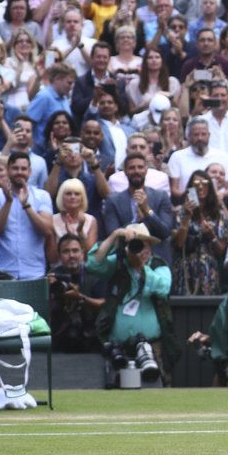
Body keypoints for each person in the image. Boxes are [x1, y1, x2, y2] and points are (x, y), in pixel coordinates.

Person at [87, 224, 174, 384]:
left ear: (150, 247)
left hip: (152, 346)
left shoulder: (158, 266)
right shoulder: (118, 264)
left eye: (143, 244)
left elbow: (163, 289)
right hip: (118, 346)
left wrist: (141, 267)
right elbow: (93, 264)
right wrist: (114, 236)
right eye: (135, 244)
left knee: (155, 391)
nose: (140, 249)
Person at [0, 151, 54, 279]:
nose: (19, 172)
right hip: (4, 271)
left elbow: (48, 230)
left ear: (30, 171)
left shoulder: (42, 196)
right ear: (8, 170)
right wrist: (8, 201)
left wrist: (27, 206)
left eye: (23, 169)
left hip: (34, 272)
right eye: (15, 168)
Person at [100, 152, 175, 265]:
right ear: (125, 171)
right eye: (132, 168)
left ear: (146, 170)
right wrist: (133, 227)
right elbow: (113, 233)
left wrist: (147, 211)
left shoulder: (161, 196)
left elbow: (165, 232)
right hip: (126, 261)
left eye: (140, 167)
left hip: (157, 261)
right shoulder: (113, 201)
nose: (136, 171)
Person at [46, 233, 106, 352]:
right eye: (66, 252)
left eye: (75, 251)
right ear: (60, 256)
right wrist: (48, 289)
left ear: (82, 253)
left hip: (90, 335)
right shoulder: (52, 275)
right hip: (60, 335)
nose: (71, 255)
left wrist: (80, 297)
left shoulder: (94, 274)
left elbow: (103, 304)